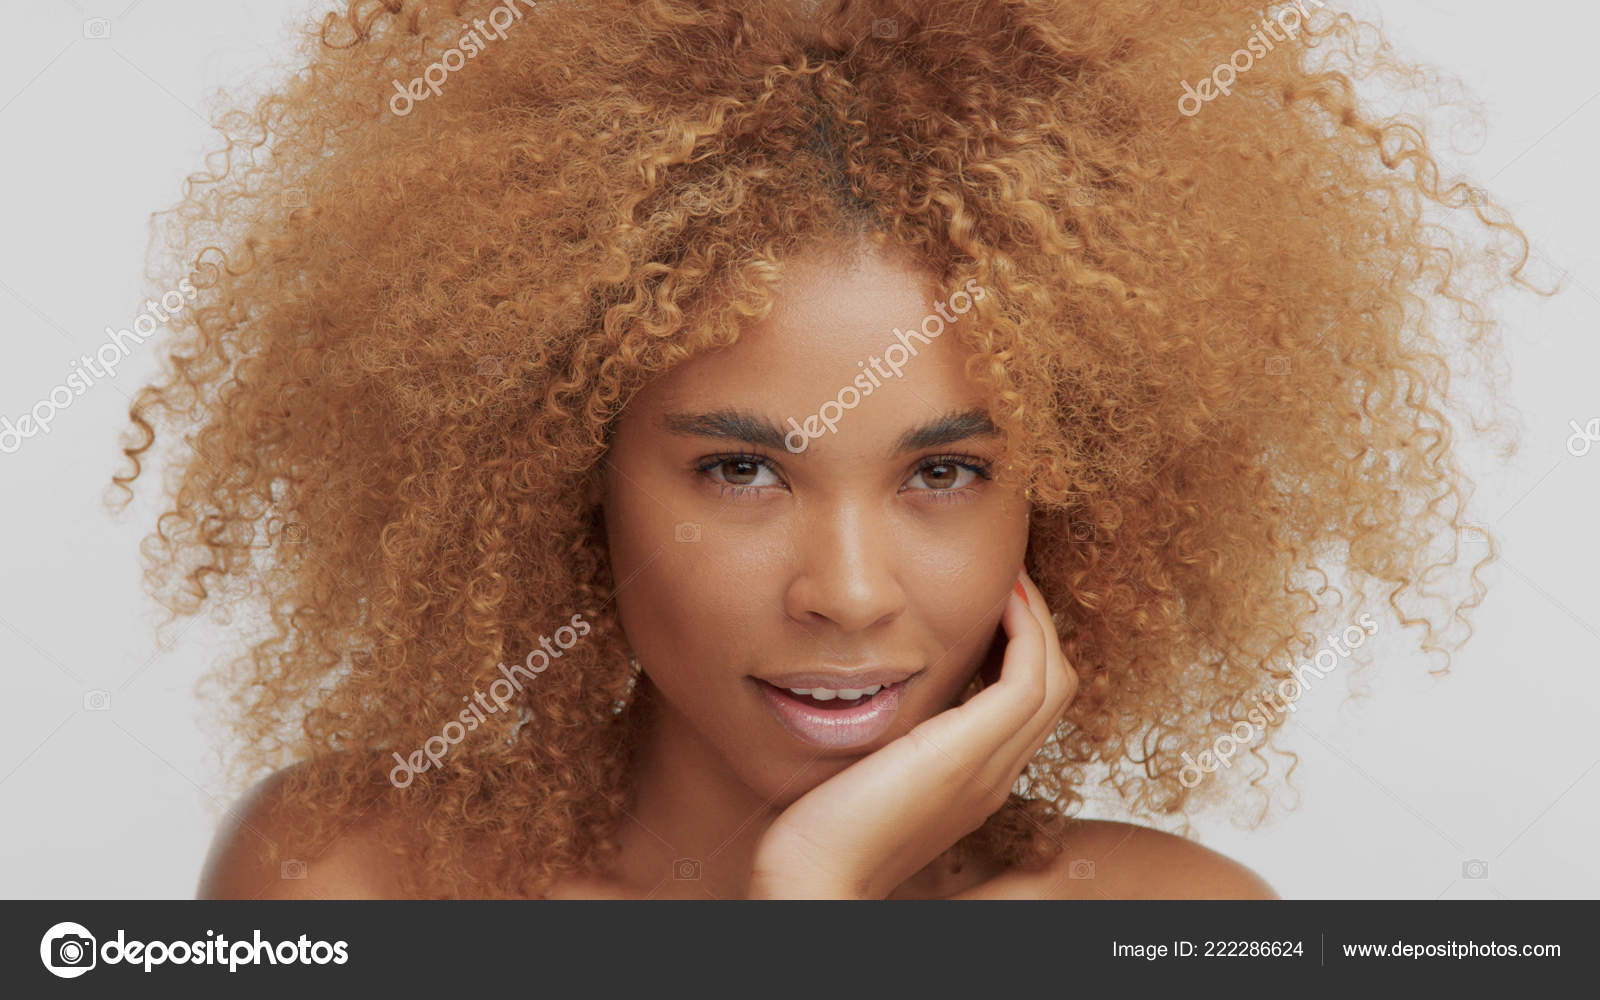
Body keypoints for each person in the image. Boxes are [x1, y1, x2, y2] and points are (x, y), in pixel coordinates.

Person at [115, 0, 1530, 898]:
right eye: (742, 470)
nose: (848, 593)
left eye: (943, 472)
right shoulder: (350, 882)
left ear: (1071, 494)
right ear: (561, 480)